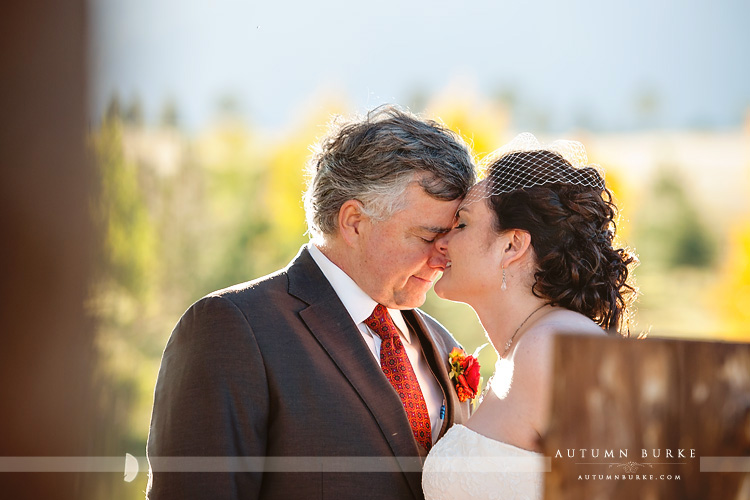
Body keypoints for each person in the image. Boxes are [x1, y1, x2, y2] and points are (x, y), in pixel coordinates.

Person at [146, 105, 476, 500]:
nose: (443, 258)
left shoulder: (443, 345)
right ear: (354, 221)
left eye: (450, 239)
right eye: (427, 237)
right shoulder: (233, 327)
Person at [422, 133, 637, 500]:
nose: (441, 242)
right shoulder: (528, 347)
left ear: (511, 245)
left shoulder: (554, 347)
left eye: (462, 224)